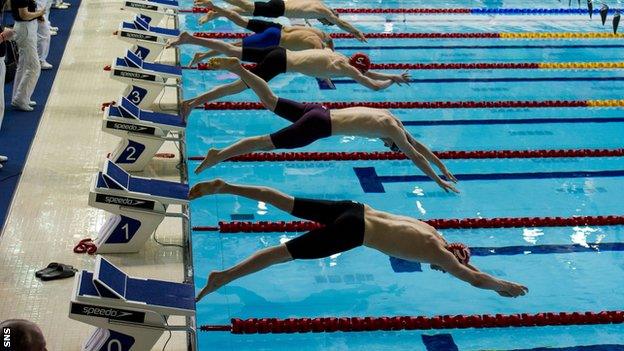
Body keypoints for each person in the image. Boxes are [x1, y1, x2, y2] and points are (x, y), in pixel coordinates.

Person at [190, 179, 529, 302]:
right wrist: (504, 285)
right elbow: (473, 277)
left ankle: (229, 186)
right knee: (282, 254)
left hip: (355, 209)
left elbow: (464, 265)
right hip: (354, 232)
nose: (443, 269)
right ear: (450, 259)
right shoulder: (436, 254)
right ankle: (223, 277)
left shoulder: (430, 230)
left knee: (287, 202)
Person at [193, 57, 456, 192]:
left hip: (319, 110)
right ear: (393, 143)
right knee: (265, 142)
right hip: (319, 127)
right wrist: (437, 180)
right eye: (392, 147)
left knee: (271, 100)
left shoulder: (391, 117)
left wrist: (443, 166)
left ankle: (241, 70)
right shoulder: (391, 132)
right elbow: (417, 156)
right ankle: (220, 155)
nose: (389, 146)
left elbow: (419, 146)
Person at [167, 33, 410, 120]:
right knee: (234, 89)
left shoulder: (335, 54)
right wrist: (391, 81)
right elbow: (374, 86)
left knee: (232, 48)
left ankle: (189, 38)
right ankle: (192, 103)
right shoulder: (347, 70)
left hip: (279, 52)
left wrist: (395, 75)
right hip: (279, 65)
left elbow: (365, 71)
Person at [190, 1, 334, 66]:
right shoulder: (316, 45)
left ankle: (215, 8)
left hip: (276, 27)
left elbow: (330, 41)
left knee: (241, 20)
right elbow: (321, 62)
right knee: (233, 47)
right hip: (273, 39)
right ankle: (202, 55)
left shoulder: (319, 32)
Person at [195, 0, 367, 41]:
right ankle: (214, 8)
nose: (323, 23)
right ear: (329, 18)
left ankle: (215, 13)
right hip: (279, 9)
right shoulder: (324, 12)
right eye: (326, 22)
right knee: (247, 7)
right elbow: (341, 23)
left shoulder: (320, 5)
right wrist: (356, 32)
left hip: (280, 5)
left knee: (247, 10)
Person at [11, 0, 45, 111]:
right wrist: (39, 13)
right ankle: (20, 99)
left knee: (24, 65)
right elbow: (24, 14)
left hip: (26, 27)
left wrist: (36, 15)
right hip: (25, 28)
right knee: (34, 67)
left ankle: (18, 96)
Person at [36, 0, 54, 69]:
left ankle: (40, 59)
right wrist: (39, 15)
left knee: (44, 34)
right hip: (37, 12)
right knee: (43, 35)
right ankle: (40, 60)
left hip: (40, 11)